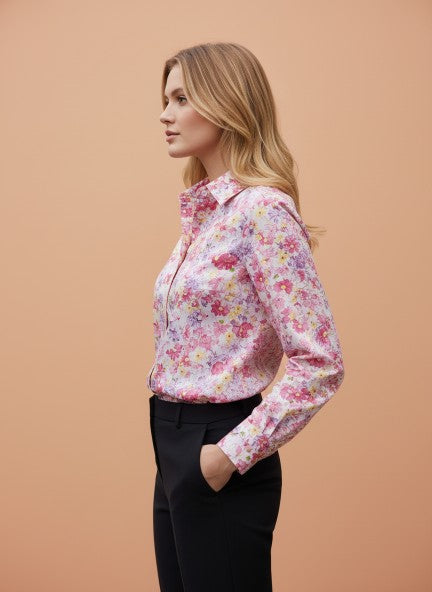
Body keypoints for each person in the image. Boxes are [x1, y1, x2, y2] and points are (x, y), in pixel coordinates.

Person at [147, 42, 345, 592]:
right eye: (165, 99)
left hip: (219, 447)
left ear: (226, 103)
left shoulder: (262, 211)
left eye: (181, 98)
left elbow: (320, 363)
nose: (164, 114)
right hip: (172, 444)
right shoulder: (206, 216)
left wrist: (227, 456)